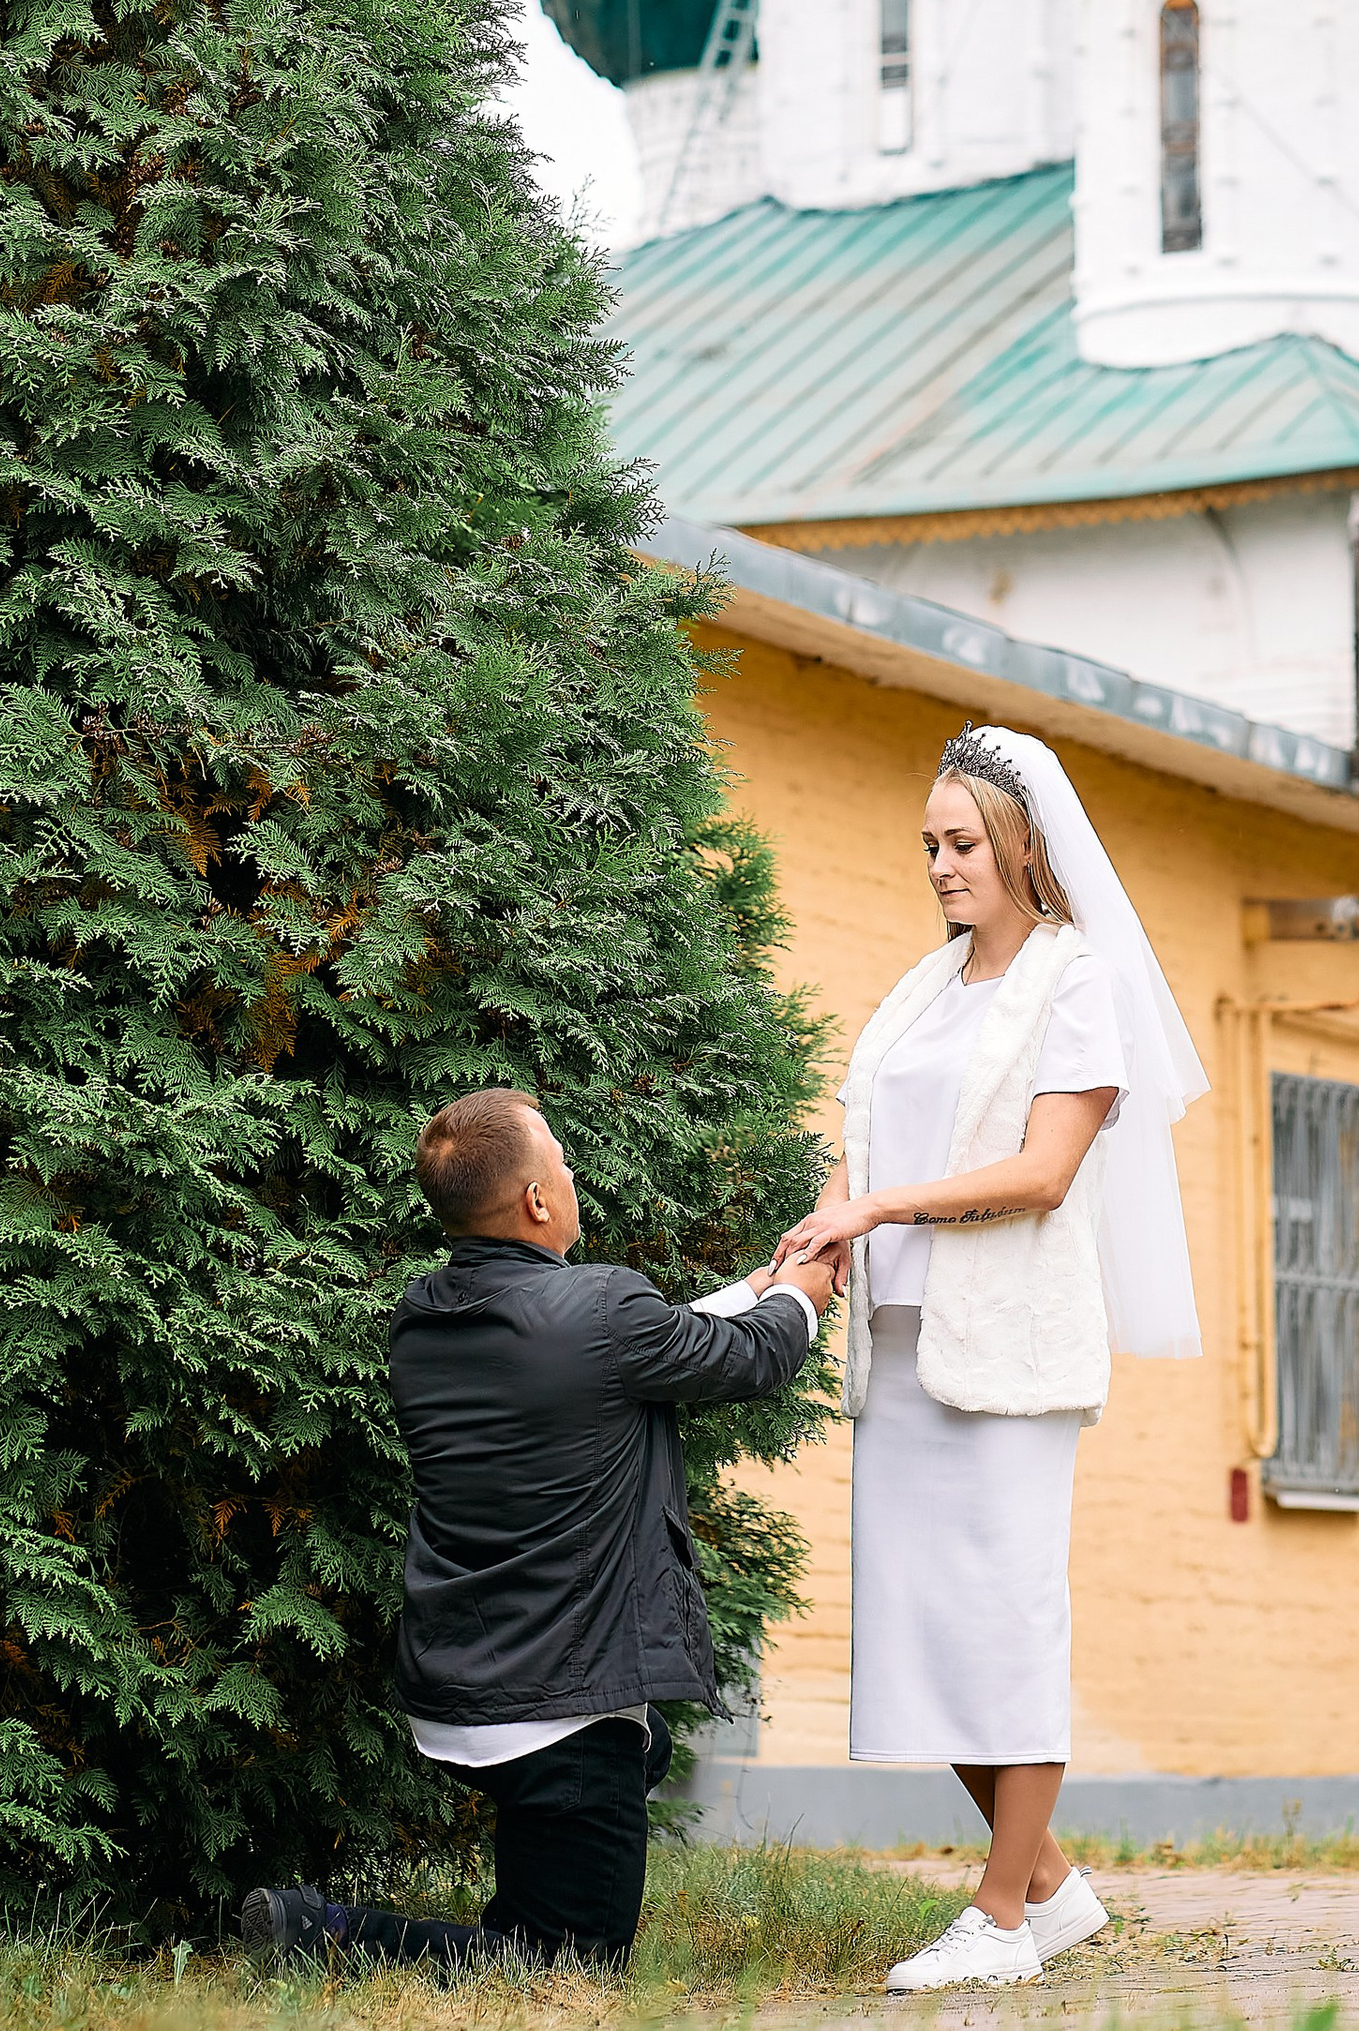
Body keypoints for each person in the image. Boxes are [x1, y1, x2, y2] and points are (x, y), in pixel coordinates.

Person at [774, 724, 1206, 1996]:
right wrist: (820, 1233)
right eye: (928, 845)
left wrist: (880, 1208)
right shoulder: (921, 989)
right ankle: (1055, 1890)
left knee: (1006, 1626)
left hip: (1011, 1353)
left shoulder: (1079, 983)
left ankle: (1001, 1916)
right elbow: (862, 1144)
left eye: (961, 843)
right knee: (923, 1631)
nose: (940, 866)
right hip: (902, 1349)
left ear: (1021, 845)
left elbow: (1043, 1172)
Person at [241, 1086, 840, 1974]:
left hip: (463, 1681)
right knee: (571, 1964)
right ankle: (316, 1930)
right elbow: (751, 1356)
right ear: (535, 1200)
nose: (570, 1174)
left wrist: (756, 1286)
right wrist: (799, 1295)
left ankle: (547, 1867)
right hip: (561, 1705)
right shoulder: (599, 1311)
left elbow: (646, 1343)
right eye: (560, 1161)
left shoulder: (423, 1316)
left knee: (639, 1747)